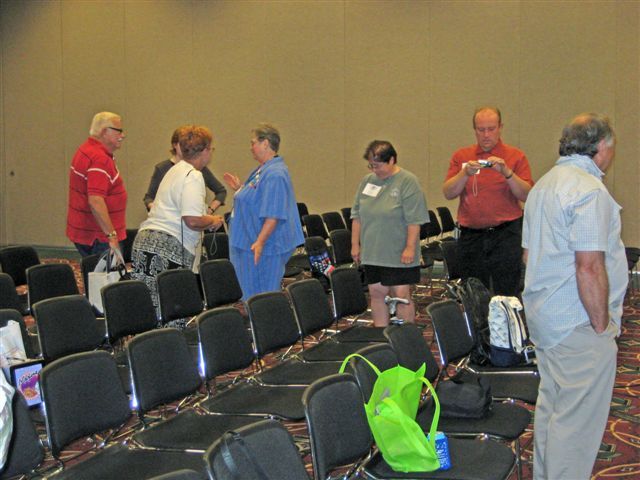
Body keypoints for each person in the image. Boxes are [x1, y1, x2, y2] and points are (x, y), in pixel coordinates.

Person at [522, 113, 627, 480]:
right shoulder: (588, 190)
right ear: (601, 148)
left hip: (545, 317)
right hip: (578, 321)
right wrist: (602, 325)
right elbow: (589, 267)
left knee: (553, 410)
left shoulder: (543, 185)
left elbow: (528, 256)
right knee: (577, 424)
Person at [131, 125, 223, 325]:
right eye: (211, 149)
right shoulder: (193, 175)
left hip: (146, 243)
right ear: (204, 151)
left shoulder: (174, 171)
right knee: (172, 316)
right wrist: (213, 220)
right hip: (168, 248)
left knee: (149, 314)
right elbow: (192, 220)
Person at [442, 106, 533, 295]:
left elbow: (526, 195)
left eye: (491, 129)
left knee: (507, 291)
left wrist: (507, 173)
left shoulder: (515, 156)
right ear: (474, 130)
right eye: (481, 129)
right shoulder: (462, 156)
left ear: (500, 128)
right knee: (474, 291)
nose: (486, 135)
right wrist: (464, 174)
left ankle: (507, 315)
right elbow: (449, 193)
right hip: (471, 236)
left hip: (506, 234)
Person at [350, 140, 429, 326]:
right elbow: (357, 216)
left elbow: (414, 220)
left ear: (392, 160)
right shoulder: (367, 182)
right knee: (377, 293)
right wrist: (355, 244)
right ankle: (381, 336)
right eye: (371, 165)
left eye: (377, 165)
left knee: (400, 295)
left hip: (398, 251)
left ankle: (405, 336)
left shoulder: (408, 181)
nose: (374, 170)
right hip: (373, 251)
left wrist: (410, 247)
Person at [223, 124, 304, 300]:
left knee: (262, 298)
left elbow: (273, 214)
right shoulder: (264, 169)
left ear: (265, 143)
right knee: (252, 297)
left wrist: (260, 242)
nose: (251, 147)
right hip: (249, 243)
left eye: (253, 143)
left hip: (263, 248)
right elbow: (258, 199)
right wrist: (240, 189)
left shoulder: (275, 174)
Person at [66, 112, 127, 257]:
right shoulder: (100, 159)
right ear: (104, 132)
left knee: (92, 270)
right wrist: (111, 236)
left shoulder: (85, 149)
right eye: (119, 131)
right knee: (105, 272)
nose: (123, 135)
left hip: (85, 231)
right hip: (98, 236)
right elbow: (95, 200)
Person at [143, 127, 227, 213]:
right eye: (183, 145)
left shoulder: (198, 169)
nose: (186, 148)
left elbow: (220, 191)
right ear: (174, 145)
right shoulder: (165, 168)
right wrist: (159, 211)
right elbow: (149, 198)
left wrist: (209, 211)